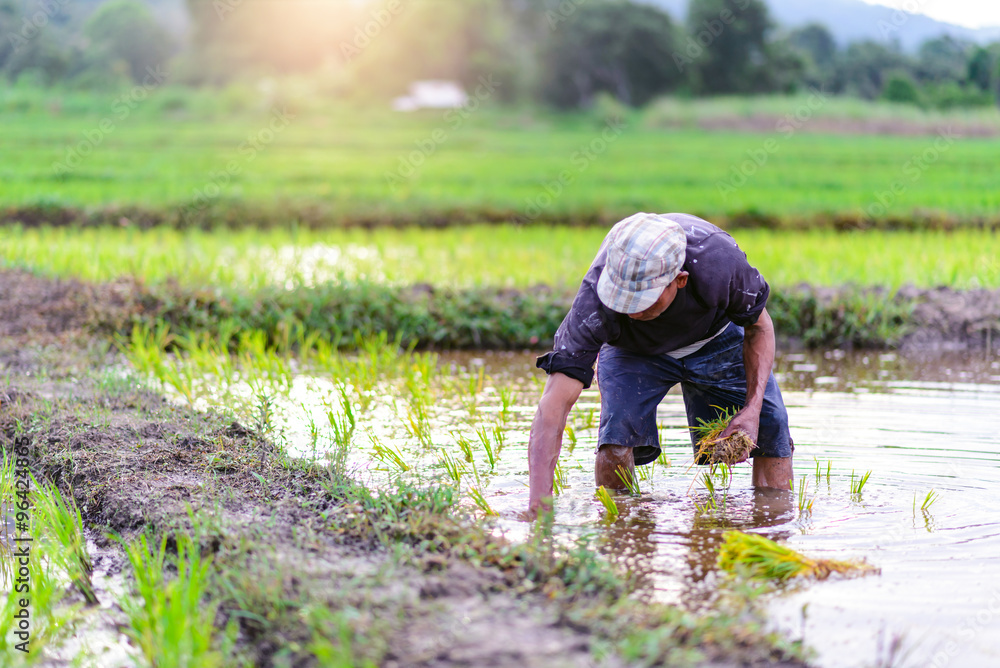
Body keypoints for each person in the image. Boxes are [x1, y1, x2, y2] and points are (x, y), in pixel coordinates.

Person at [527, 212, 793, 517]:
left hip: (717, 337)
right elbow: (552, 408)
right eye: (622, 301)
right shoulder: (595, 301)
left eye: (643, 301)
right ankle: (623, 534)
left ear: (679, 281)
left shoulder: (719, 261)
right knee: (616, 439)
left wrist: (753, 409)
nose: (631, 310)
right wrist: (538, 506)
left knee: (772, 426)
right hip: (632, 350)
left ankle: (772, 522)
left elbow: (759, 327)